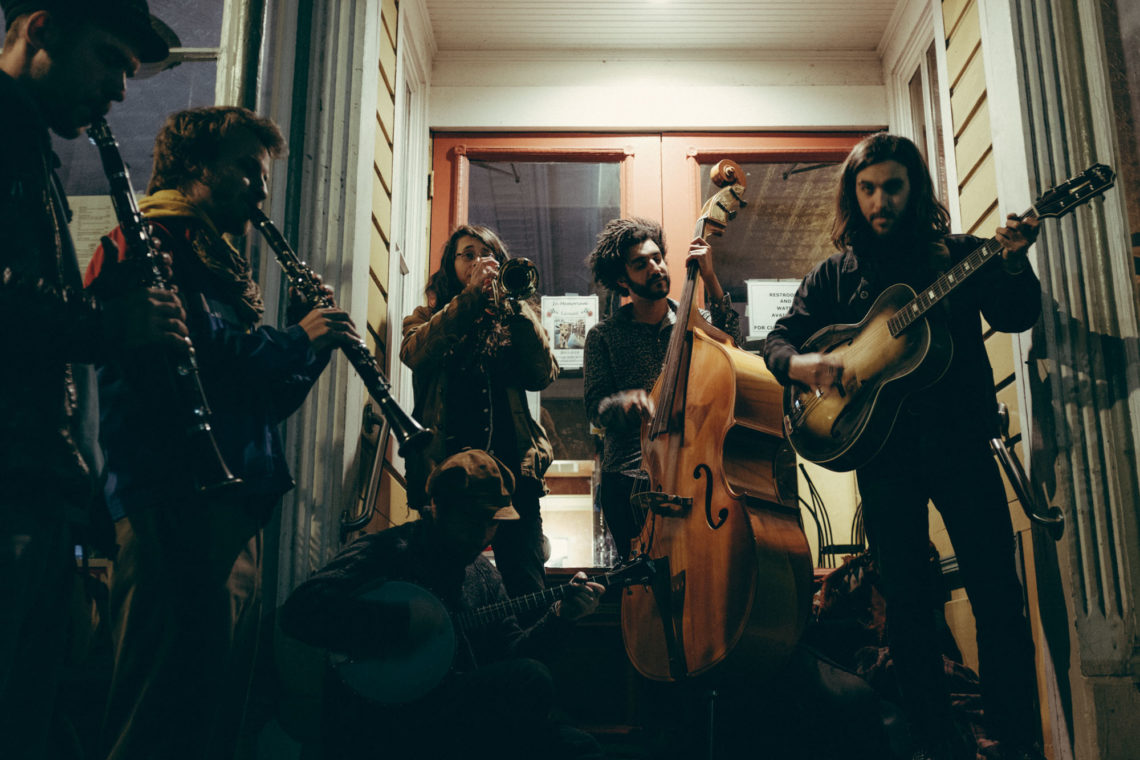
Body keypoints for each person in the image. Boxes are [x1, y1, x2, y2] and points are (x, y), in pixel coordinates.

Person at [84, 106, 361, 760]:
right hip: (172, 498)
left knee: (212, 713)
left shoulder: (213, 259)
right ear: (193, 168)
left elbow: (255, 402)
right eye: (245, 169)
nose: (261, 190)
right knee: (159, 707)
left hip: (228, 501)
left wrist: (311, 346)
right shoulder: (150, 242)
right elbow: (201, 360)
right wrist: (296, 340)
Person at [763, 133, 1044, 760]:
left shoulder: (960, 255)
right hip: (884, 458)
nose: (879, 201)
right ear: (853, 195)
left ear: (914, 188)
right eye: (866, 189)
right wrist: (803, 365)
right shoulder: (835, 275)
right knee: (909, 605)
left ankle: (1014, 738)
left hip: (961, 446)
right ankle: (931, 741)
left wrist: (1013, 261)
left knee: (996, 592)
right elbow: (778, 340)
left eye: (891, 186)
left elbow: (1017, 313)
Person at [0, 2, 186, 757]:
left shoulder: (29, 145)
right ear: (40, 29)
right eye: (108, 58)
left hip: (35, 484)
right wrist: (109, 322)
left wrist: (105, 305)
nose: (119, 90)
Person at [280, 448, 606, 760]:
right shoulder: (389, 551)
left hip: (455, 712)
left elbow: (511, 654)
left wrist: (561, 617)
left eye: (492, 522)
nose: (482, 534)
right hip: (386, 715)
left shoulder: (484, 575)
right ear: (438, 506)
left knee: (578, 746)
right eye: (471, 519)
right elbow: (301, 609)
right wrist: (402, 620)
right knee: (530, 680)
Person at [401, 225, 557, 597]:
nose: (479, 262)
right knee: (445, 586)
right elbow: (414, 354)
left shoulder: (514, 317)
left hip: (514, 477)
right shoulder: (427, 315)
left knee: (527, 584)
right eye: (468, 254)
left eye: (488, 256)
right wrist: (470, 296)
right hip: (448, 476)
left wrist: (515, 304)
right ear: (451, 265)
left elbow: (542, 374)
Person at [582, 217, 741, 560]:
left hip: (690, 469)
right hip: (628, 477)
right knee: (639, 577)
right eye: (641, 264)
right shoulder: (603, 336)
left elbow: (734, 348)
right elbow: (595, 408)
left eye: (658, 258)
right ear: (622, 280)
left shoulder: (697, 323)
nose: (656, 268)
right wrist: (623, 402)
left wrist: (711, 278)